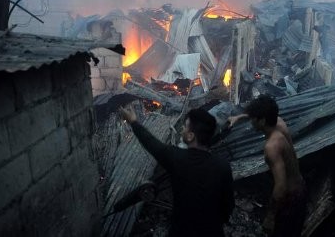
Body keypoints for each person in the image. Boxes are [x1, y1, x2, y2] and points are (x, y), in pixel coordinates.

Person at [120, 106, 235, 237]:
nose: (182, 129)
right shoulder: (223, 165)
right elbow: (228, 205)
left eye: (185, 127)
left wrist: (133, 122)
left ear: (191, 136)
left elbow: (151, 143)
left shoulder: (178, 159)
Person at [228, 95, 306, 237]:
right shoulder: (279, 122)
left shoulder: (272, 147)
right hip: (300, 188)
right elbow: (265, 112)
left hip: (290, 200)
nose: (251, 122)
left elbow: (280, 187)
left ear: (262, 121)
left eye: (253, 119)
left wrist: (270, 217)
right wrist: (239, 117)